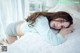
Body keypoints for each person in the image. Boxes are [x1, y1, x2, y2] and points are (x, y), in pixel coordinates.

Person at [0, 11, 73, 46]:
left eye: (62, 27)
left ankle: (5, 41)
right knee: (9, 49)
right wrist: (61, 33)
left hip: (22, 25)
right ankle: (3, 43)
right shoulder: (42, 20)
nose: (58, 25)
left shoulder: (48, 21)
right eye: (61, 21)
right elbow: (54, 41)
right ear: (58, 15)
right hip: (11, 30)